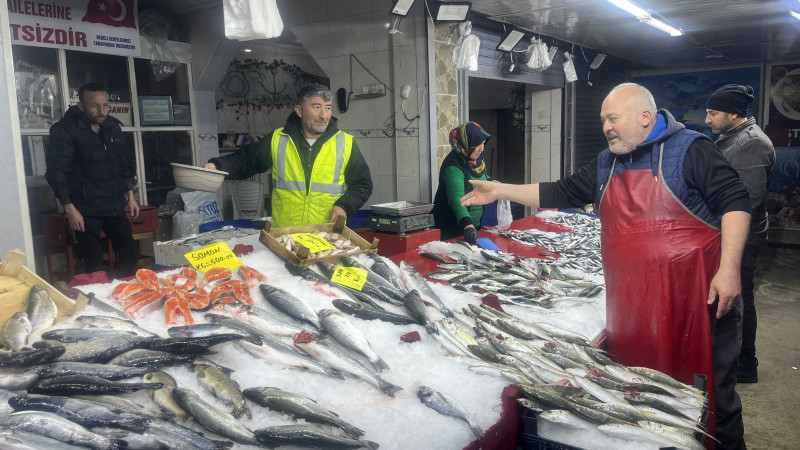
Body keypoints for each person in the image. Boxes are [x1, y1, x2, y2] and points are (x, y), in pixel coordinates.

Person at [462, 83, 751, 449]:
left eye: (612, 119)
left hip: (696, 302)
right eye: (602, 120)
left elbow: (736, 201)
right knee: (642, 397)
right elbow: (561, 191)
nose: (605, 128)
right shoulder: (607, 161)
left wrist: (729, 270)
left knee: (710, 400)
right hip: (632, 307)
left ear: (644, 117)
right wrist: (501, 190)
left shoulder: (692, 150)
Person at [204, 84, 372, 227]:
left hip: (325, 235)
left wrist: (343, 206)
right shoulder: (279, 139)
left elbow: (363, 184)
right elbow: (247, 160)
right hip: (285, 236)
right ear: (299, 110)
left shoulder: (345, 142)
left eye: (327, 107)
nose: (323, 115)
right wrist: (217, 166)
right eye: (316, 107)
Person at [706, 84, 776, 383]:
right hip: (727, 230)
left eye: (713, 113)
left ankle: (746, 364)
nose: (707, 120)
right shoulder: (731, 137)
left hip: (742, 235)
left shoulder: (751, 143)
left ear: (734, 114)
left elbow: (747, 199)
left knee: (739, 296)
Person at [46, 83, 140, 278]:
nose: (101, 111)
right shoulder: (64, 131)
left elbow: (124, 162)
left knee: (130, 253)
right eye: (95, 106)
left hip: (114, 204)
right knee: (94, 263)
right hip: (85, 209)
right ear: (81, 106)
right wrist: (70, 209)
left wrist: (130, 195)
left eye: (105, 105)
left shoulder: (112, 126)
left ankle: (124, 294)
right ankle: (99, 301)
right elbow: (56, 173)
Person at [431, 122, 491, 242]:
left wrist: (493, 183)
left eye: (483, 144)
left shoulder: (476, 160)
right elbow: (457, 199)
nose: (482, 149)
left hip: (473, 227)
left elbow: (481, 177)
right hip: (451, 228)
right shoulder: (453, 167)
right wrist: (467, 225)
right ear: (467, 145)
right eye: (478, 145)